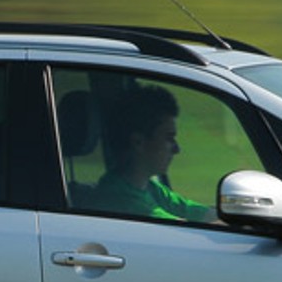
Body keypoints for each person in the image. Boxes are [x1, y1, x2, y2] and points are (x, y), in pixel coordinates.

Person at [87, 84, 216, 223]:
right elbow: (185, 231)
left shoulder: (150, 187)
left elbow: (202, 214)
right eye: (168, 138)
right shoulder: (120, 200)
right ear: (138, 142)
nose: (177, 149)